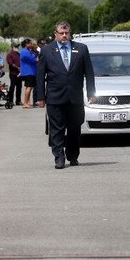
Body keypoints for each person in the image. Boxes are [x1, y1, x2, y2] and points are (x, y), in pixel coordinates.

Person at [36, 21, 96, 169]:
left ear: (70, 33)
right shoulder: (46, 51)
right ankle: (59, 157)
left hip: (75, 97)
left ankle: (73, 155)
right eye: (61, 33)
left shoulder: (81, 49)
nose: (64, 36)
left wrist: (91, 93)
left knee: (75, 127)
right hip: (55, 97)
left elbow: (89, 72)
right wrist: (40, 97)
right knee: (56, 129)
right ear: (55, 34)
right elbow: (40, 75)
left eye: (66, 33)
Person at [20, 38, 37, 108]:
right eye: (30, 43)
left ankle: (27, 102)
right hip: (28, 71)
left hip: (30, 71)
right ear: (26, 44)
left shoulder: (27, 51)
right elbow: (34, 59)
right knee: (29, 87)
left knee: (29, 87)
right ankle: (25, 103)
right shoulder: (25, 51)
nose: (31, 45)